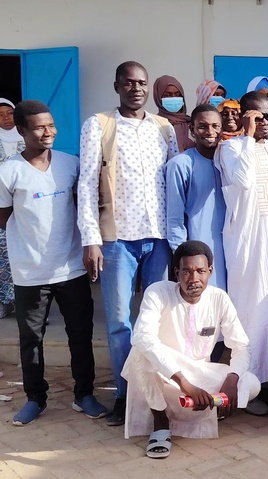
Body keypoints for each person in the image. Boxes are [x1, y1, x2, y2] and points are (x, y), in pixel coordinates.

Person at [78, 61, 178, 426]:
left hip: (159, 238)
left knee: (157, 320)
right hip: (117, 239)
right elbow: (87, 184)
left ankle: (155, 392)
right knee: (121, 321)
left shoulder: (164, 128)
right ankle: (125, 395)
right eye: (129, 83)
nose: (136, 88)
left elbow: (172, 184)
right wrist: (91, 239)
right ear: (117, 85)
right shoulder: (99, 124)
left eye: (142, 83)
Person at [0, 100, 106, 426]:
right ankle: (35, 399)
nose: (48, 132)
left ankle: (84, 394)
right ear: (22, 131)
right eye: (39, 127)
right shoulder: (8, 171)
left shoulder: (71, 164)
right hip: (30, 272)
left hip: (71, 267)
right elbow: (4, 219)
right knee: (32, 340)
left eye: (51, 125)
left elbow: (87, 204)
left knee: (80, 334)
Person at [122, 241, 260, 458]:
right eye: (186, 271)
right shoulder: (158, 292)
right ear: (176, 273)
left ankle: (211, 407)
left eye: (200, 271)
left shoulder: (219, 298)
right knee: (140, 351)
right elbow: (142, 336)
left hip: (199, 378)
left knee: (251, 384)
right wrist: (184, 383)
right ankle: (160, 423)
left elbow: (241, 346)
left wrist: (232, 379)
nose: (194, 278)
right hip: (165, 377)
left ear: (210, 272)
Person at [215, 90, 268, 416]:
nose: (266, 123)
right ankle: (245, 388)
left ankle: (267, 383)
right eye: (258, 117)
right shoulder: (229, 148)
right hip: (247, 247)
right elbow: (243, 181)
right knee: (248, 315)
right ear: (245, 116)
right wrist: (246, 136)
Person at [165, 104, 228, 290]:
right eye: (203, 126)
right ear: (192, 129)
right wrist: (184, 258)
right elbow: (174, 218)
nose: (210, 131)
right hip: (199, 254)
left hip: (231, 250)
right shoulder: (180, 165)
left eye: (215, 126)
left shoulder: (229, 161)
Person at [0, 98, 22, 318]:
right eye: (1, 115)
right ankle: (5, 301)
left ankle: (26, 302)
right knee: (3, 256)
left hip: (24, 206)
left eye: (9, 113)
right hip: (1, 208)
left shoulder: (28, 137)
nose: (6, 118)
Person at [153, 75, 194, 151]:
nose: (174, 98)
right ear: (158, 98)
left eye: (178, 95)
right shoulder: (153, 125)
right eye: (167, 95)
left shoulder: (192, 124)